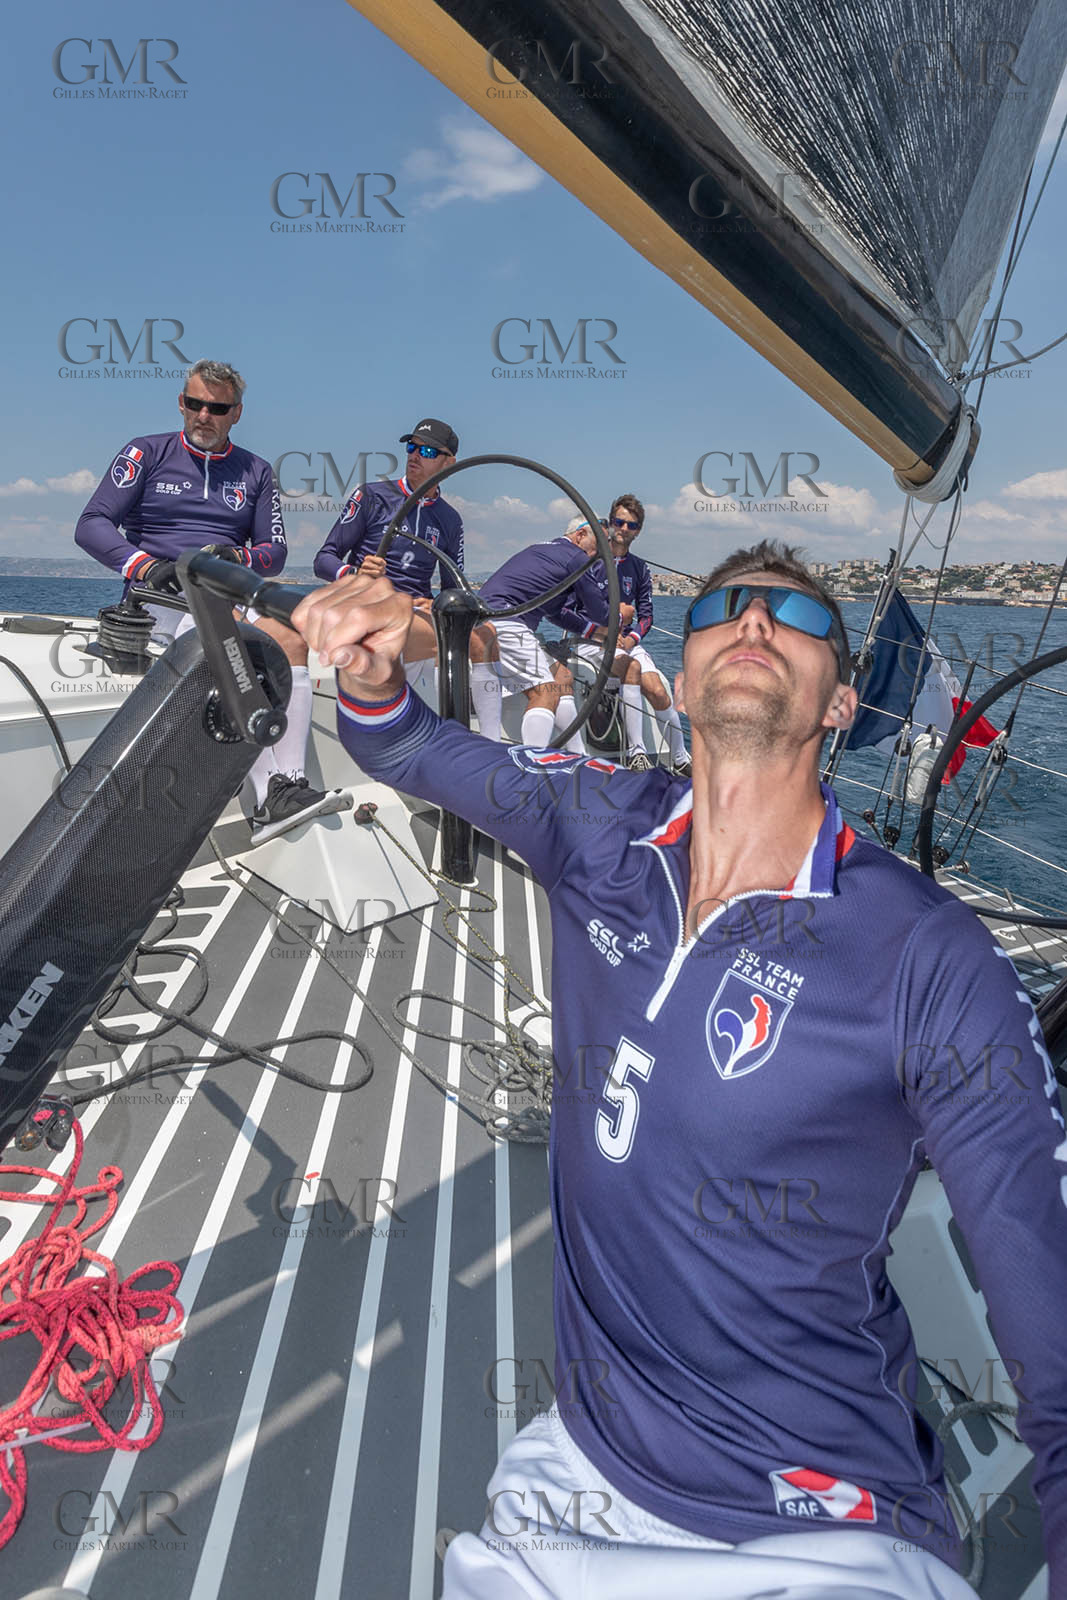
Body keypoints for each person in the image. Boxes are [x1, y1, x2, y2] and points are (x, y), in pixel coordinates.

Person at [291, 538, 1067, 1599]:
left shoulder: (928, 956)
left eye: (792, 618)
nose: (751, 622)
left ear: (840, 704)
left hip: (819, 1522)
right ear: (683, 666)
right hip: (577, 1469)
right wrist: (373, 677)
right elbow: (408, 746)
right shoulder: (600, 823)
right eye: (724, 608)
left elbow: (1051, 1333)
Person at [74, 359, 345, 841]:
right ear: (182, 403)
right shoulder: (145, 452)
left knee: (291, 637)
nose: (204, 415)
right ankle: (266, 797)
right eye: (195, 404)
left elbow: (274, 552)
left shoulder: (256, 471)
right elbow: (92, 524)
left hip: (225, 586)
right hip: (160, 589)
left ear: (235, 413)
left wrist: (234, 556)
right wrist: (146, 566)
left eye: (217, 408)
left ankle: (290, 784)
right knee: (229, 640)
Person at [313, 417, 502, 739]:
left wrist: (436, 602)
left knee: (486, 636)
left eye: (427, 450)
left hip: (415, 613)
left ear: (449, 463)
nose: (414, 455)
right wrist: (355, 573)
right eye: (411, 447)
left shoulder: (450, 520)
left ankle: (491, 745)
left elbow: (453, 585)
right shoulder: (372, 496)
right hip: (369, 603)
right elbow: (323, 560)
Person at [569, 493, 691, 775]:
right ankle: (636, 754)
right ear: (610, 523)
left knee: (659, 691)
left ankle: (681, 758)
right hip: (592, 642)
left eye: (631, 525)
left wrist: (632, 638)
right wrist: (600, 633)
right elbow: (570, 608)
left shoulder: (639, 569)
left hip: (626, 642)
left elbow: (647, 615)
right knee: (632, 668)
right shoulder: (590, 561)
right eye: (619, 522)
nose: (624, 529)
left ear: (638, 531)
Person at [476, 514, 615, 751]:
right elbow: (602, 613)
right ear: (580, 535)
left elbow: (553, 612)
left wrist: (590, 630)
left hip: (483, 623)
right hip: (507, 624)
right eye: (599, 545)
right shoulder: (577, 557)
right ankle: (533, 770)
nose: (601, 552)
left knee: (562, 678)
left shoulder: (543, 549)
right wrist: (621, 616)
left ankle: (577, 755)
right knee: (546, 692)